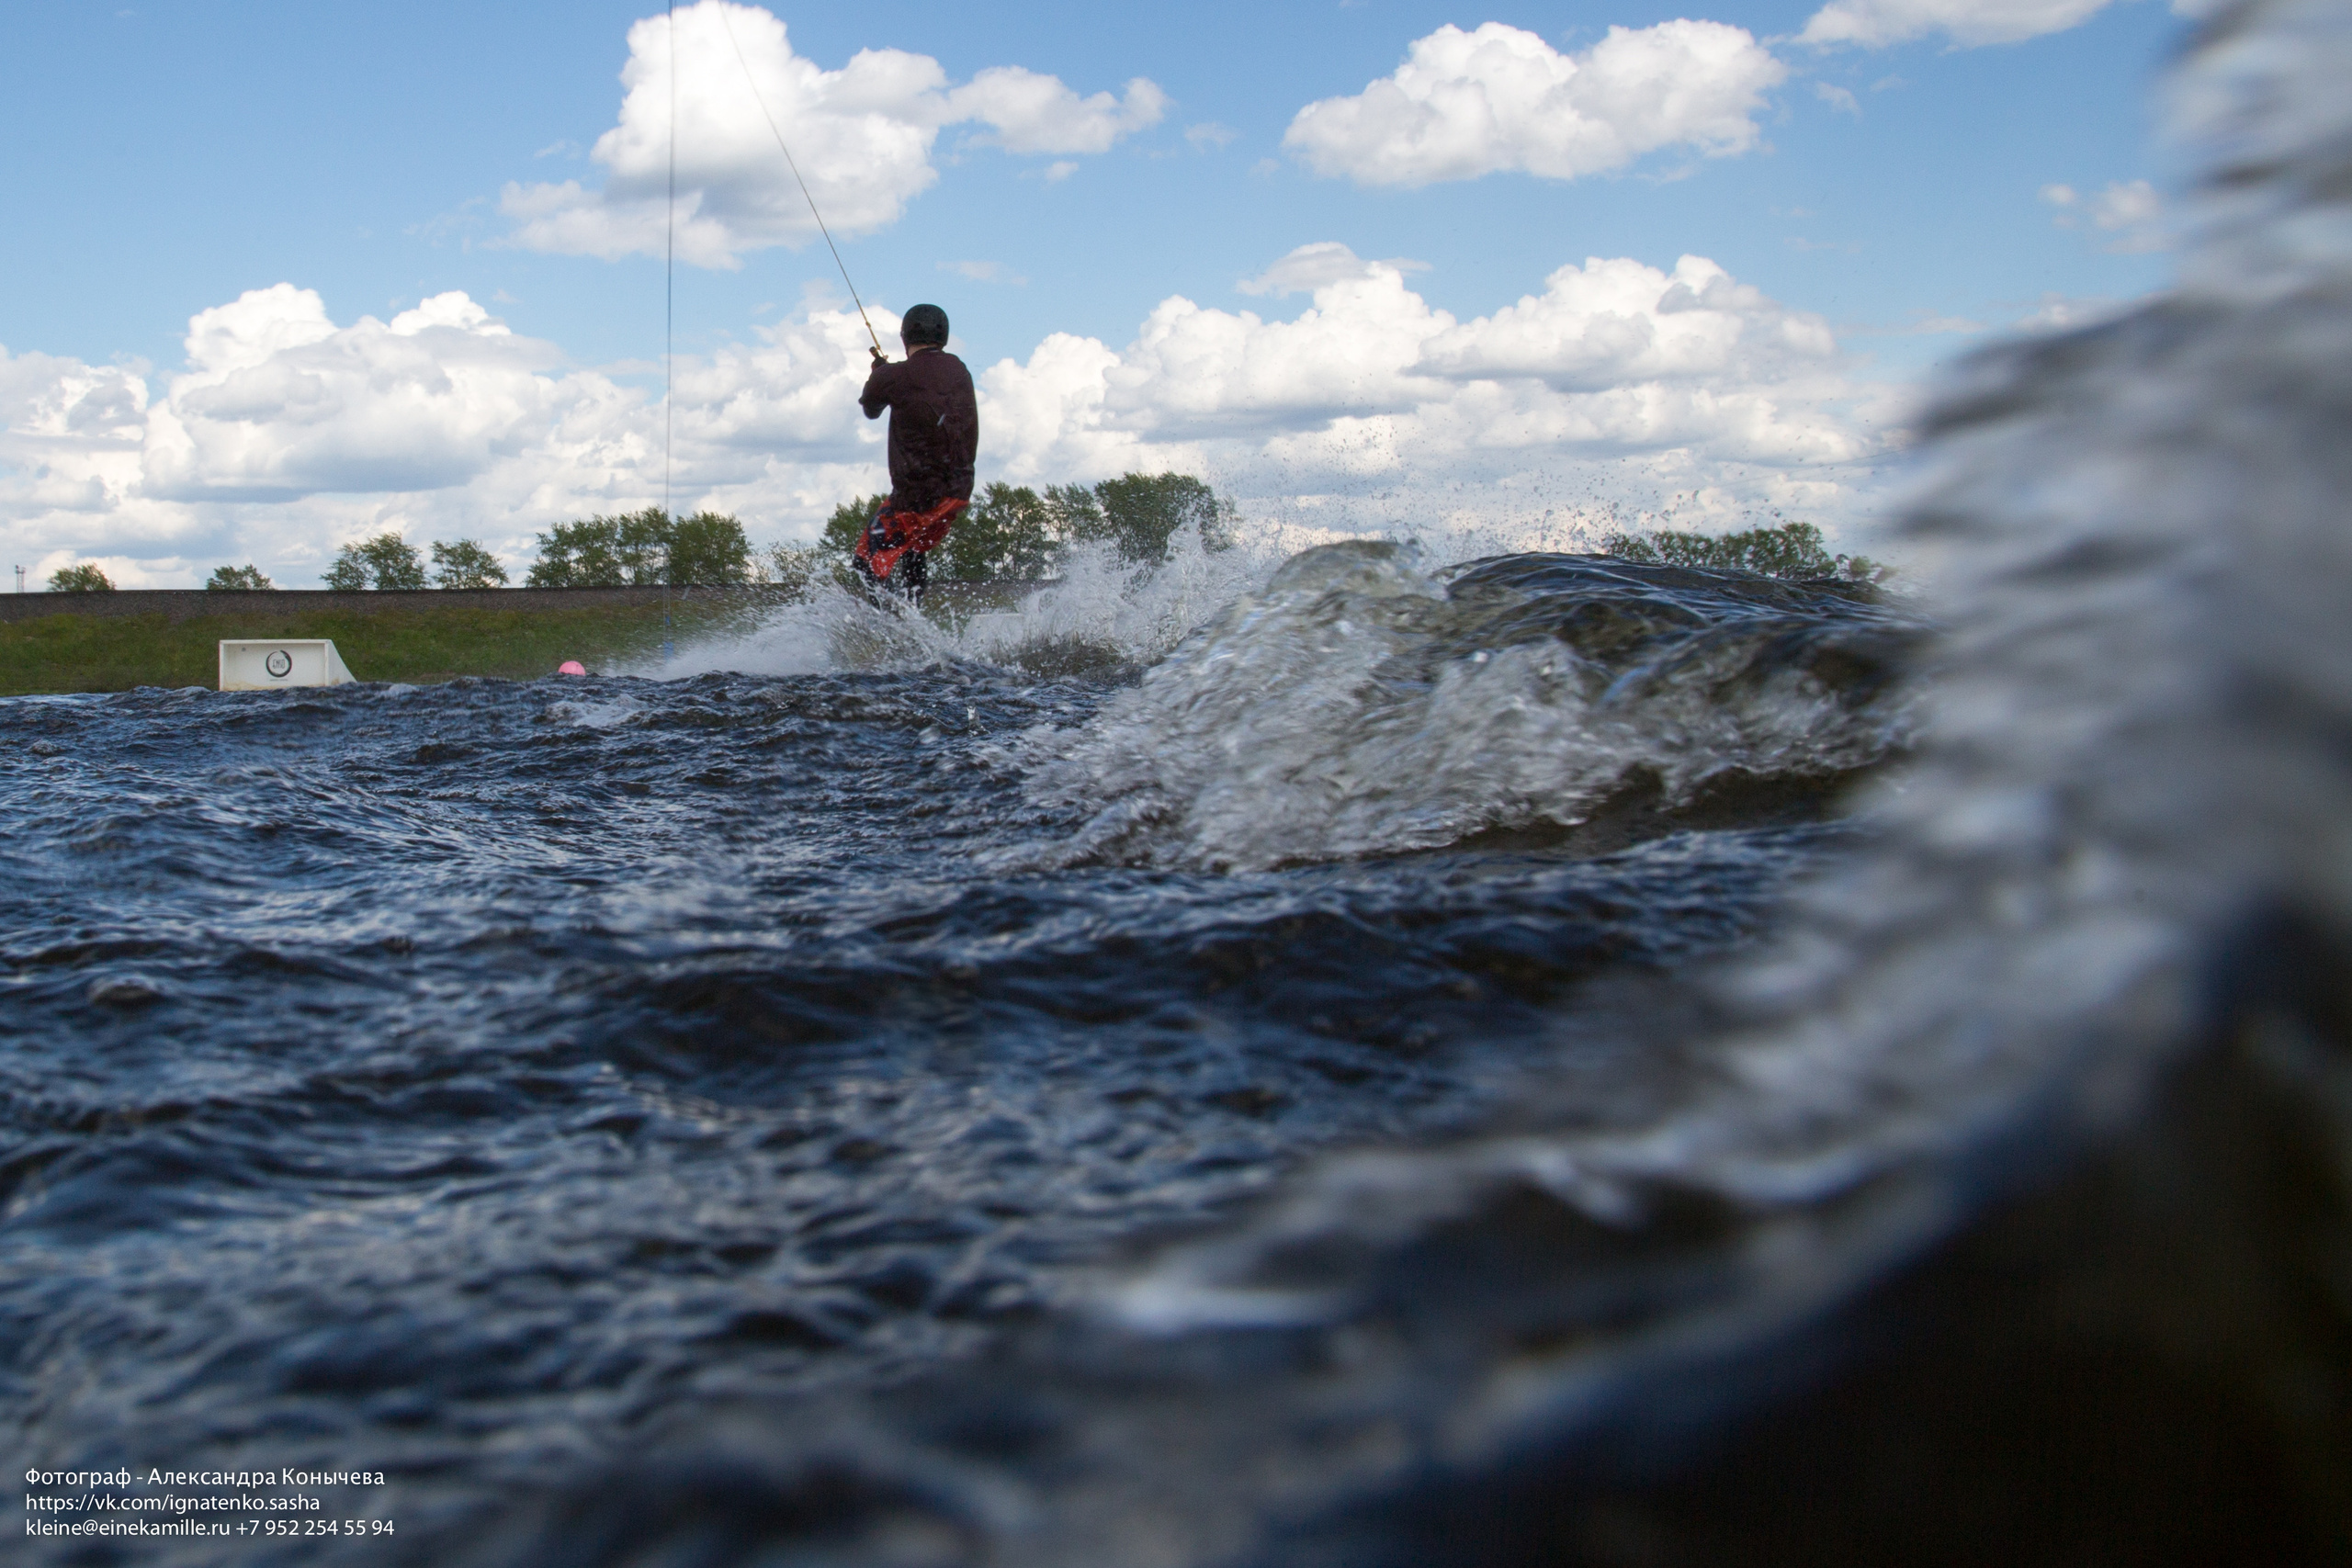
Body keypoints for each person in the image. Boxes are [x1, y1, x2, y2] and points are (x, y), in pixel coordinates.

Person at [853, 303, 978, 604]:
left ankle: (902, 634)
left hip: (917, 498)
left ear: (904, 336)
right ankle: (914, 620)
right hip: (957, 493)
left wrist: (879, 374)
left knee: (864, 564)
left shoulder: (894, 377)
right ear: (943, 337)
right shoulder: (959, 369)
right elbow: (924, 385)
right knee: (911, 549)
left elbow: (871, 408)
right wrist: (888, 374)